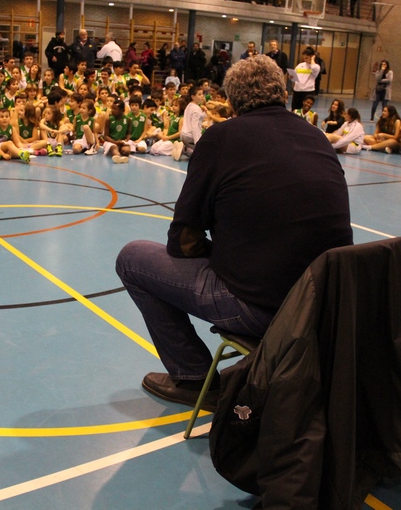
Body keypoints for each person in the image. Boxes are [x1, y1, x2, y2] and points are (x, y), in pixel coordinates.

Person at [115, 55, 352, 410]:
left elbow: (182, 241)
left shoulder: (220, 138)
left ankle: (194, 378)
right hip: (322, 305)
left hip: (264, 309)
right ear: (284, 91)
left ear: (231, 100)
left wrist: (220, 249)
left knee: (132, 259)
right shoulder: (315, 136)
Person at [290, 47, 320, 111]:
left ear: (311, 57)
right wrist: (292, 77)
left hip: (308, 92)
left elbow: (314, 68)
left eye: (307, 58)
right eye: (304, 58)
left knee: (305, 111)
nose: (305, 60)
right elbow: (294, 77)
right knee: (295, 110)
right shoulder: (300, 65)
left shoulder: (316, 66)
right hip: (297, 91)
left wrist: (312, 60)